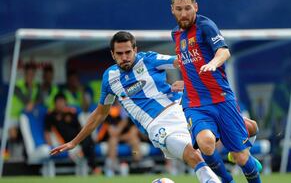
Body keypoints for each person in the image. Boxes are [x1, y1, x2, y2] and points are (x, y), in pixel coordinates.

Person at [50, 31, 221, 183]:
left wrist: (188, 82)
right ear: (112, 55)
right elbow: (100, 114)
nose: (124, 57)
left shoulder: (149, 59)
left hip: (181, 107)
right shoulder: (110, 78)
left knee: (239, 128)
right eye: (119, 53)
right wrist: (74, 142)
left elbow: (183, 62)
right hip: (157, 125)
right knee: (192, 153)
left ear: (135, 50)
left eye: (128, 52)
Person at [170, 0, 261, 183]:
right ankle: (227, 181)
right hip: (195, 103)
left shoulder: (205, 26)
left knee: (242, 158)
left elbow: (224, 51)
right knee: (206, 143)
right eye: (179, 9)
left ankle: (249, 134)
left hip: (221, 99)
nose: (184, 13)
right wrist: (186, 82)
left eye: (188, 8)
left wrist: (213, 63)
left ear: (196, 6)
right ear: (172, 10)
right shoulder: (175, 34)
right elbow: (192, 64)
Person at [44, 93, 100, 175]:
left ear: (65, 102)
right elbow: (47, 132)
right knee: (88, 144)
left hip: (77, 139)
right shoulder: (50, 116)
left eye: (62, 102)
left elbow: (80, 127)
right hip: (65, 141)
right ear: (55, 104)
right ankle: (93, 167)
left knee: (89, 139)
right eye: (58, 102)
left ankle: (81, 153)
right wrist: (50, 146)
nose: (60, 104)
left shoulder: (71, 113)